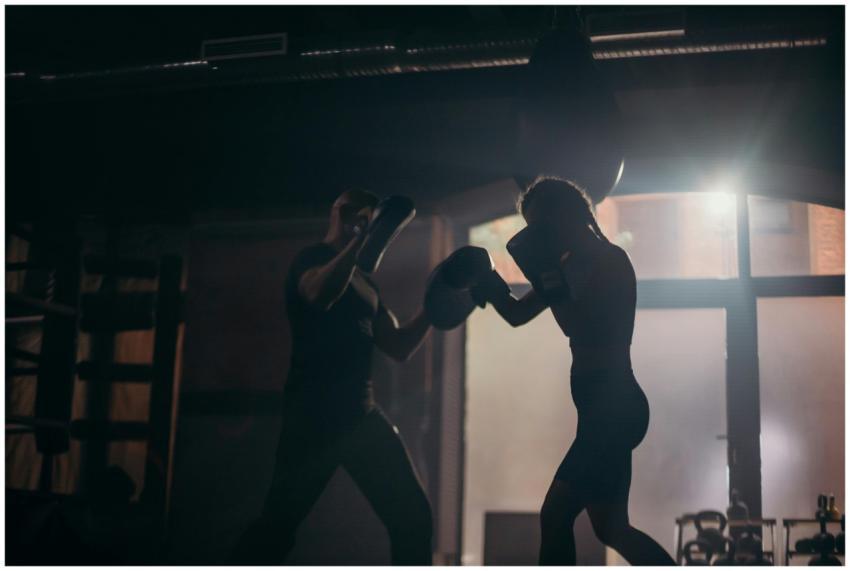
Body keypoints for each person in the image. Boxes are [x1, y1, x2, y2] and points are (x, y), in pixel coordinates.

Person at [471, 177, 675, 566]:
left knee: (555, 515)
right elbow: (517, 314)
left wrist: (544, 272)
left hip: (613, 411)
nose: (538, 235)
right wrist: (487, 278)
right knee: (612, 530)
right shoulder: (570, 266)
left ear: (564, 217)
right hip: (602, 413)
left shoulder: (607, 260)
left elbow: (574, 323)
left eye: (541, 226)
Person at [231, 189, 433, 565]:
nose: (359, 217)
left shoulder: (367, 285)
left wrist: (437, 306)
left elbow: (399, 345)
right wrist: (359, 242)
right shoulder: (311, 260)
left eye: (368, 214)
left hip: (361, 417)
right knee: (276, 529)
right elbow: (319, 294)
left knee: (413, 519)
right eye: (351, 210)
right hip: (313, 418)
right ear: (337, 213)